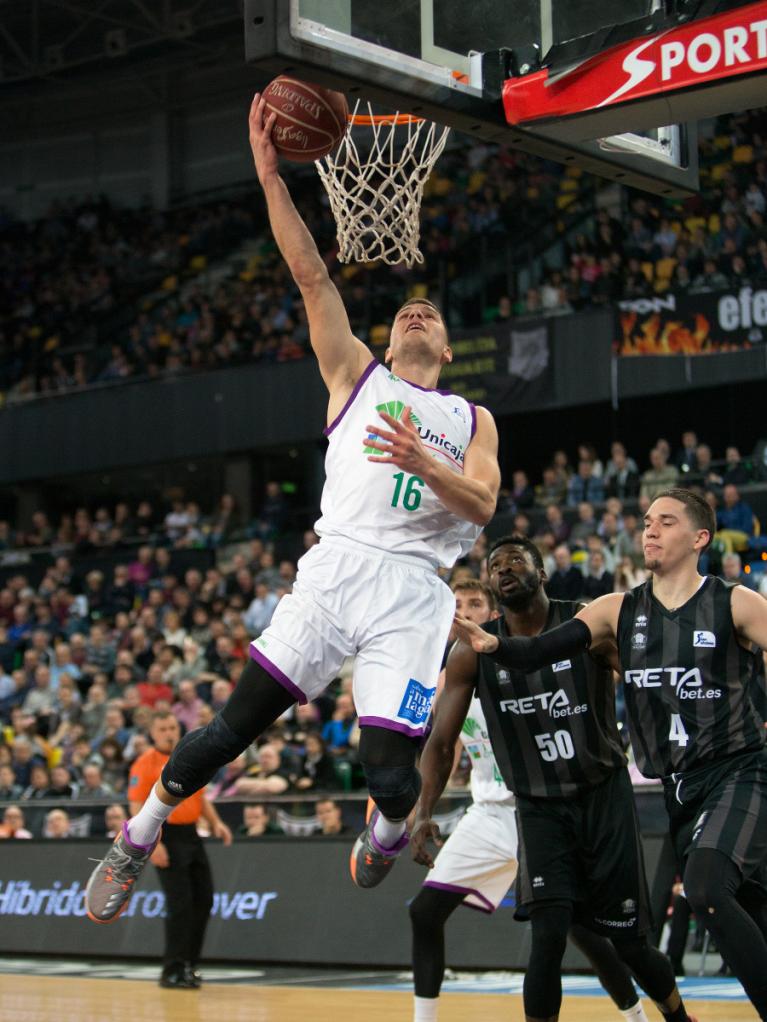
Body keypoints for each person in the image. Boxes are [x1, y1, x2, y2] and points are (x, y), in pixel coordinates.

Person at [84, 91, 499, 922]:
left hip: (414, 592)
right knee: (231, 727)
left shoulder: (471, 419)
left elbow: (483, 503)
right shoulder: (354, 375)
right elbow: (309, 270)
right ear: (385, 342)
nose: (414, 310)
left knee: (390, 778)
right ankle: (138, 832)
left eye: (430, 314)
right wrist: (271, 176)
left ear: (446, 350)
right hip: (335, 568)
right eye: (402, 311)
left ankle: (385, 832)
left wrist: (424, 460)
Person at [454, 490, 767, 1019]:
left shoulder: (735, 602)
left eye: (665, 522)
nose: (650, 530)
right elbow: (542, 648)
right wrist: (493, 646)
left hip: (740, 769)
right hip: (680, 787)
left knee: (706, 889)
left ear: (699, 538)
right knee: (751, 909)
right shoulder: (617, 609)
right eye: (646, 521)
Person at [410, 575, 655, 1022]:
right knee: (424, 912)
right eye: (456, 603)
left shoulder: (523, 658)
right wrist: (415, 807)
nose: (463, 610)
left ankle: (636, 1014)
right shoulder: (447, 680)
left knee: (584, 934)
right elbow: (444, 749)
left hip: (541, 807)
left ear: (495, 610)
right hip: (488, 812)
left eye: (474, 602)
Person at [102, 710, 232, 989]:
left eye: (173, 727)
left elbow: (200, 796)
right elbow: (136, 806)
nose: (169, 733)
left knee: (204, 899)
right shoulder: (144, 764)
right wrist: (151, 843)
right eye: (163, 728)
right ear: (152, 732)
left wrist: (216, 822)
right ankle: (172, 969)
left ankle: (189, 965)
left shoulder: (188, 754)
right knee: (180, 905)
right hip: (166, 835)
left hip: (191, 834)